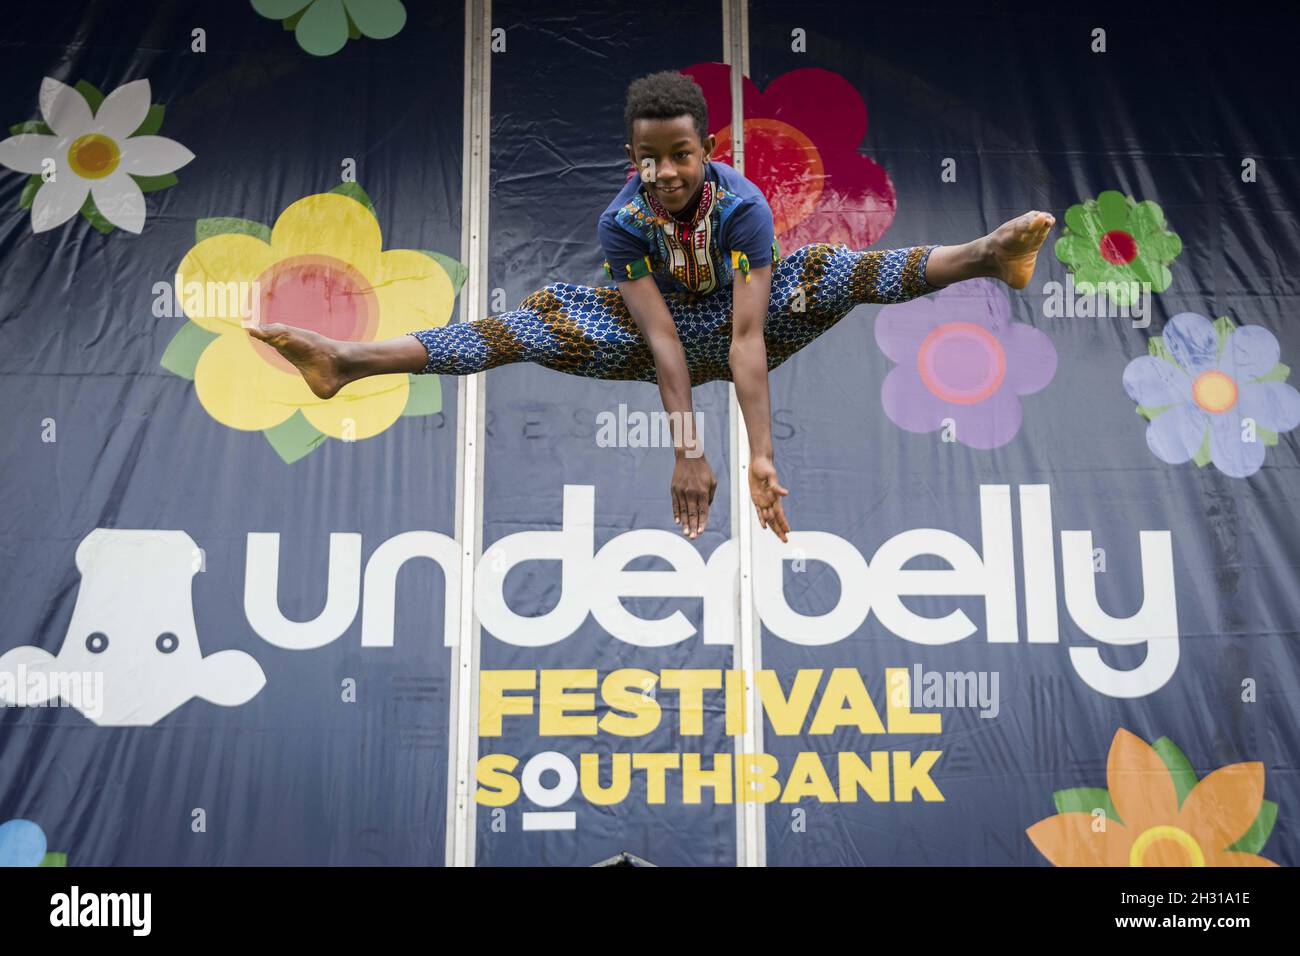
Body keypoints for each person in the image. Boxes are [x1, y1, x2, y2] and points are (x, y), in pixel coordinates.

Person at [249, 71, 1054, 544]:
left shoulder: (743, 210)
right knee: (534, 321)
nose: (666, 172)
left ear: (707, 151)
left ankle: (986, 254)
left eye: (680, 155)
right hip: (651, 336)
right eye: (649, 158)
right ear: (630, 158)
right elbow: (665, 340)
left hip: (750, 325)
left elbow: (744, 341)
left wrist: (759, 455)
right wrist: (687, 451)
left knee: (834, 269)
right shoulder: (623, 222)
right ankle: (350, 361)